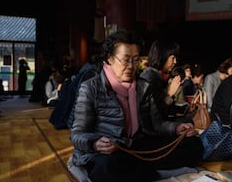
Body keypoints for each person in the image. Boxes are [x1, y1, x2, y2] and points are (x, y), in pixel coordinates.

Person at [70, 30, 203, 182]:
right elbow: (77, 134)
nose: (131, 66)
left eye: (135, 60)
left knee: (193, 145)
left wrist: (175, 128)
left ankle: (141, 170)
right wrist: (95, 143)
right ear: (109, 59)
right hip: (109, 152)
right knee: (106, 167)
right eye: (125, 60)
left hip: (137, 146)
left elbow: (156, 124)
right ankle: (146, 170)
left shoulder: (143, 86)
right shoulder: (91, 88)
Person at [139, 38, 182, 120]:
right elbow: (155, 116)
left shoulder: (159, 76)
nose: (175, 62)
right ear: (163, 56)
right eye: (173, 58)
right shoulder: (150, 78)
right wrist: (169, 94)